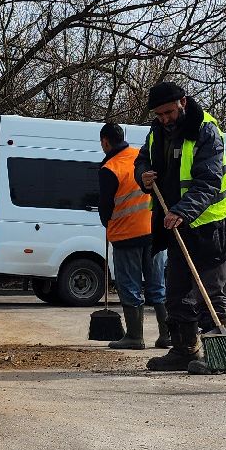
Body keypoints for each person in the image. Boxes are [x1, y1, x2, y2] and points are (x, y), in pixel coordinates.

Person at [134, 80, 226, 373]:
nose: (164, 119)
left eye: (168, 112)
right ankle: (184, 349)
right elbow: (142, 159)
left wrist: (182, 210)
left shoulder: (205, 130)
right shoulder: (156, 131)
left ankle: (220, 355)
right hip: (177, 225)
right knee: (177, 291)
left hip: (211, 225)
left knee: (209, 291)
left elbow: (209, 181)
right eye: (159, 114)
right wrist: (143, 175)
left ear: (182, 102)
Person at [97, 122, 169, 350]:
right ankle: (167, 335)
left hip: (126, 235)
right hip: (154, 232)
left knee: (130, 286)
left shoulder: (110, 168)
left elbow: (105, 206)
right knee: (157, 286)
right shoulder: (140, 157)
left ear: (105, 142)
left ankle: (135, 337)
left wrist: (107, 223)